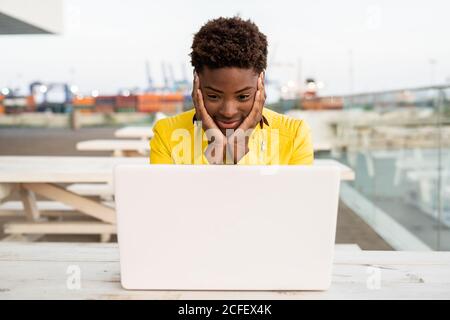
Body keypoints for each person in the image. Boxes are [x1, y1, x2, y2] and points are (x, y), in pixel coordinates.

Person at [150, 16, 313, 165]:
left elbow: (297, 198)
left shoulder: (293, 135)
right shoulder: (166, 134)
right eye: (213, 96)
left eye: (243, 96)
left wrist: (238, 149)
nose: (228, 112)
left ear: (260, 83)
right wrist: (215, 149)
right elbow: (166, 198)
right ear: (196, 83)